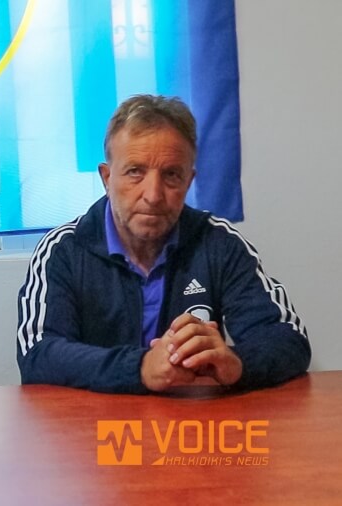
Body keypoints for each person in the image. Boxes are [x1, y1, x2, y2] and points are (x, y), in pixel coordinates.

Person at [16, 94, 310, 393]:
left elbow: (289, 339)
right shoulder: (63, 249)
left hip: (193, 417)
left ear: (189, 181)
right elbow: (38, 355)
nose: (153, 195)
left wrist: (237, 363)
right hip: (91, 420)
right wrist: (141, 367)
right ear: (107, 178)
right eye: (135, 172)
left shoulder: (219, 243)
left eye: (171, 175)